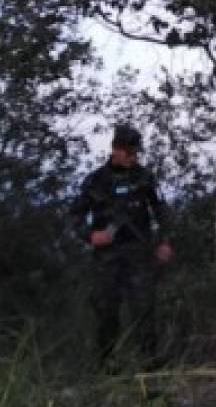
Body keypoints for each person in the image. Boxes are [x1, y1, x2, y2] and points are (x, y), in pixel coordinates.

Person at [71, 124, 173, 367]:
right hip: (107, 257)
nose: (133, 157)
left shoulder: (144, 177)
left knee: (144, 307)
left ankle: (149, 361)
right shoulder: (95, 181)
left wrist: (165, 242)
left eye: (135, 152)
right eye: (129, 152)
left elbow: (161, 211)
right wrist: (90, 235)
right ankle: (107, 362)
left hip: (139, 253)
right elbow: (75, 216)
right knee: (107, 309)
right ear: (116, 150)